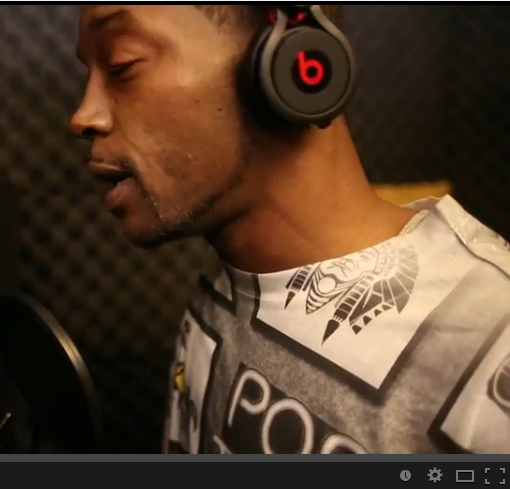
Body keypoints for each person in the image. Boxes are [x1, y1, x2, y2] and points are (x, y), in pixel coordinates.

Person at [70, 4, 510, 454]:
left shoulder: (489, 345)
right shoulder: (220, 298)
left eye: (121, 64)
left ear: (291, 59)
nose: (83, 116)